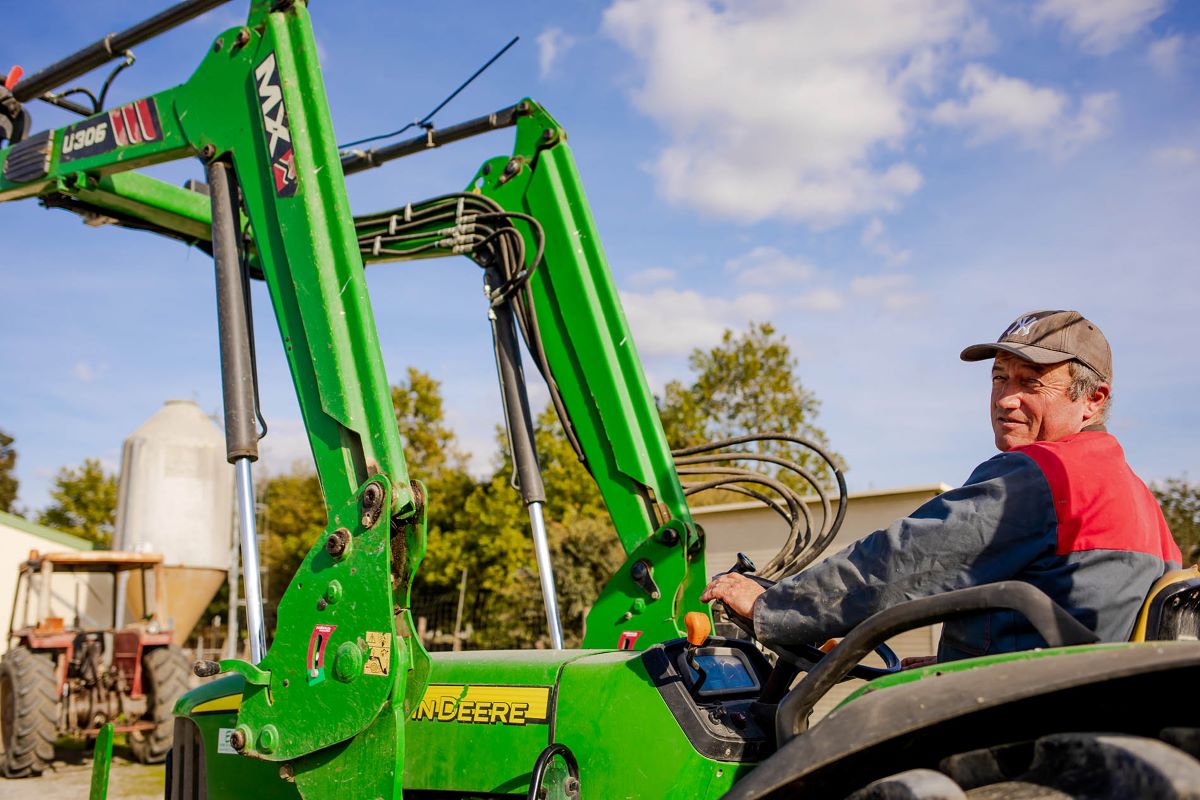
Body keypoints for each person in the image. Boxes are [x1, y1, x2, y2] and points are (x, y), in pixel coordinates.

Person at [701, 310, 1182, 661]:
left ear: (1092, 401)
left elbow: (904, 559)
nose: (1006, 400)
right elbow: (1080, 625)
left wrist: (774, 605)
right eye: (999, 379)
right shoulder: (1137, 499)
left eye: (1031, 384)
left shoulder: (1047, 475)